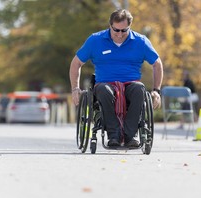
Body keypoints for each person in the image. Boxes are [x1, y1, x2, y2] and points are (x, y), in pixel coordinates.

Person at [69, 9, 164, 147]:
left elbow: (157, 64)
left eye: (124, 30)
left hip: (131, 83)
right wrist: (75, 88)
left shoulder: (141, 41)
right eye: (116, 30)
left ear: (129, 27)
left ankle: (130, 135)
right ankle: (113, 135)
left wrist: (156, 90)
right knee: (103, 90)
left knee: (139, 89)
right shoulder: (95, 40)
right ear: (110, 25)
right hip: (105, 83)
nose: (119, 34)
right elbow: (76, 63)